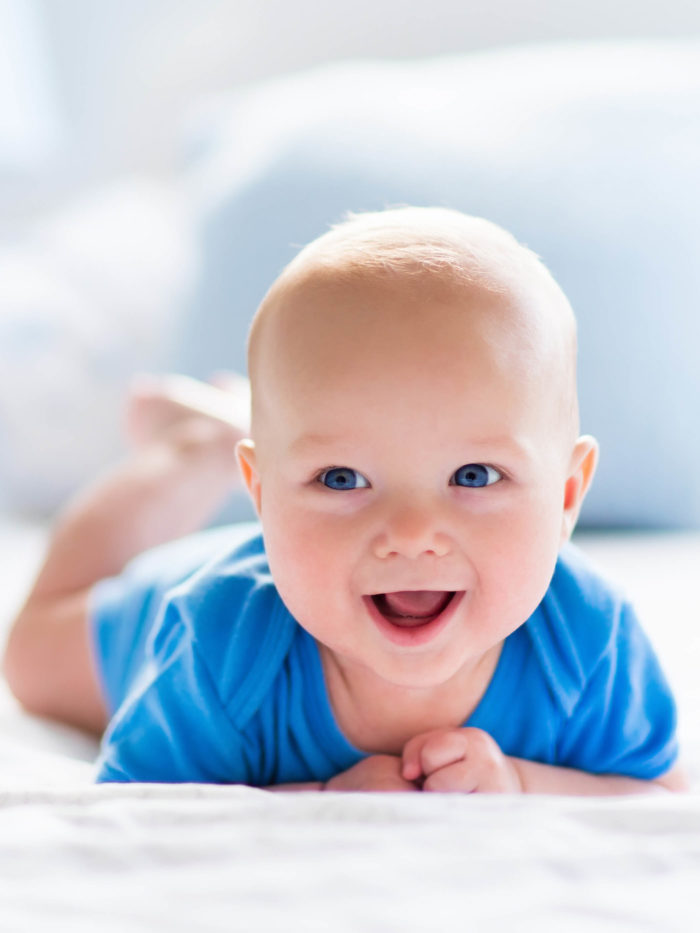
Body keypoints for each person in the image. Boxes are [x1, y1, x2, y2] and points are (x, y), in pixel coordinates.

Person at [2, 207, 688, 794]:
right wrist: (320, 795)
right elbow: (137, 813)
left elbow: (657, 791)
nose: (413, 533)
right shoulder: (219, 643)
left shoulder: (586, 639)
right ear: (263, 494)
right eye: (341, 477)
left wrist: (518, 779)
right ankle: (197, 449)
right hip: (154, 609)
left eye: (474, 475)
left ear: (567, 494)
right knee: (29, 657)